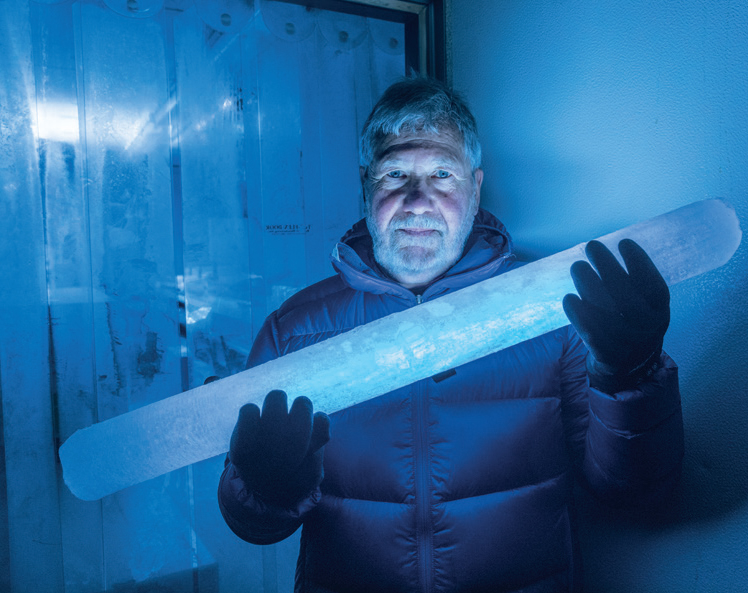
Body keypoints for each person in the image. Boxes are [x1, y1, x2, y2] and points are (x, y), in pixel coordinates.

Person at [218, 76, 684, 592]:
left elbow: (633, 493)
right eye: (395, 174)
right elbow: (251, 524)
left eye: (442, 174)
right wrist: (264, 491)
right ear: (365, 185)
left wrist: (632, 379)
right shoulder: (294, 332)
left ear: (475, 187)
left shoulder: (552, 315)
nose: (418, 201)